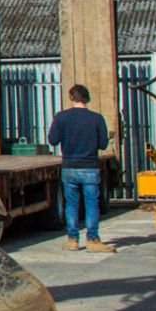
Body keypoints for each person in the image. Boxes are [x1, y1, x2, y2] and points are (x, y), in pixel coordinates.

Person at [47, 84, 112, 252]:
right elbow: (103, 144)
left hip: (69, 167)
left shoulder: (61, 117)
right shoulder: (97, 118)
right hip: (90, 167)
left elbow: (52, 140)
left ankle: (72, 239)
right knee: (91, 205)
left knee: (71, 205)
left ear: (71, 97)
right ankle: (92, 240)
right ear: (87, 98)